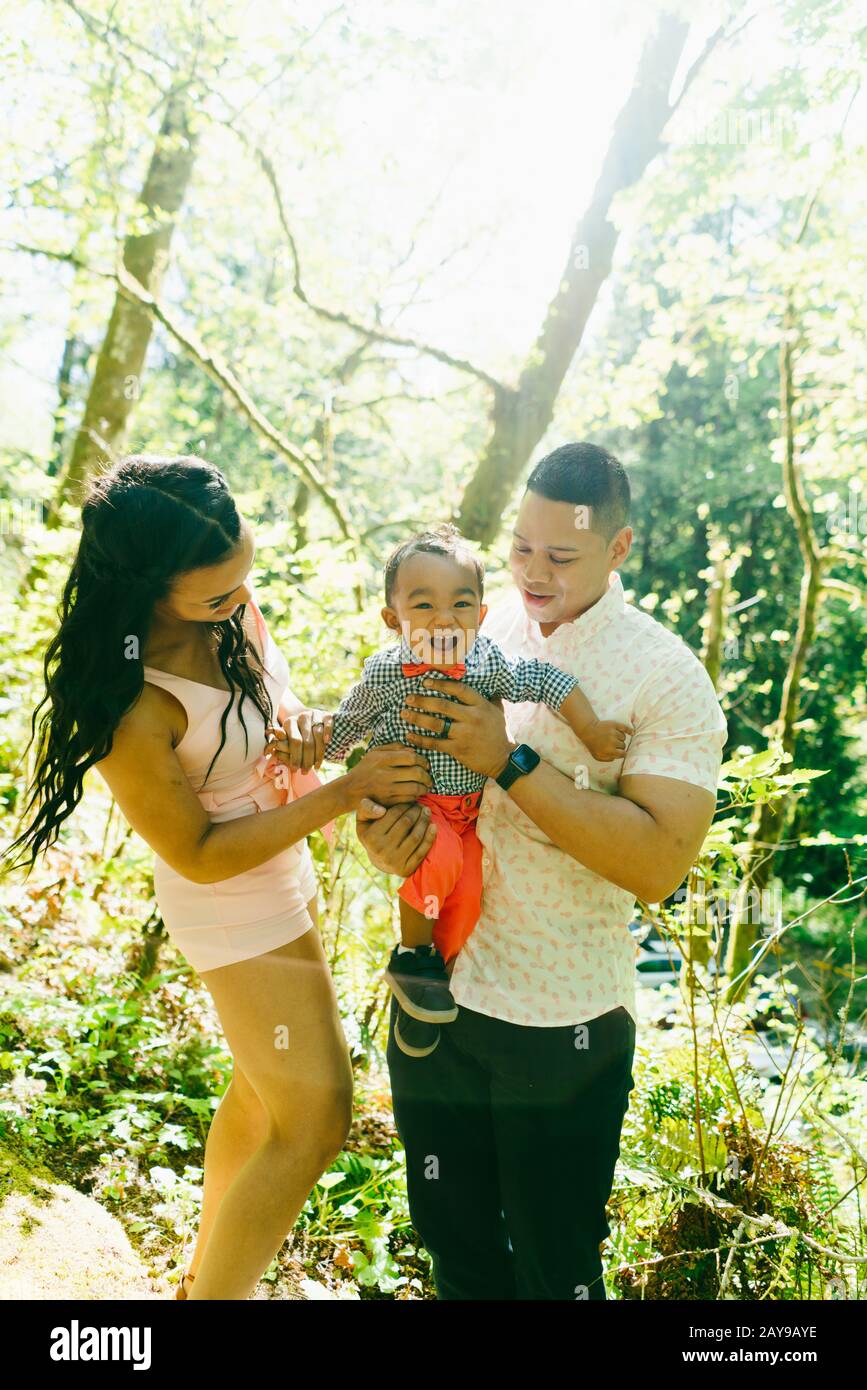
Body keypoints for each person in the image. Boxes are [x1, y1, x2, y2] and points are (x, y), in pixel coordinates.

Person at [5, 453, 435, 1301]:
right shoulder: (132, 703)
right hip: (230, 903)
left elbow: (273, 712)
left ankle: (204, 1273)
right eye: (215, 596)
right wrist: (345, 793)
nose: (238, 602)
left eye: (244, 581)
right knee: (316, 1122)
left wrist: (306, 732)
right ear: (147, 590)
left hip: (282, 868)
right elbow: (197, 853)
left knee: (261, 1086)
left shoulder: (230, 607)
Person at [357, 441, 728, 1300]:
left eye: (560, 556)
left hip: (563, 1027)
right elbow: (399, 760)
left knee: (553, 1267)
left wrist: (510, 761)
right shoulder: (473, 624)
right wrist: (381, 832)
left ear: (618, 549)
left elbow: (658, 864)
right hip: (438, 999)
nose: (532, 570)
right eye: (521, 547)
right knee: (455, 1251)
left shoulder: (664, 677)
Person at [321, 522, 631, 1058]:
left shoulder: (485, 662)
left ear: (481, 617)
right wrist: (304, 741)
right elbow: (346, 728)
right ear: (393, 620)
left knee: (464, 901)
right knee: (434, 858)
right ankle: (413, 956)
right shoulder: (386, 673)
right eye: (423, 606)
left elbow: (545, 680)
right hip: (418, 806)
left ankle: (425, 982)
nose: (444, 618)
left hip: (471, 814)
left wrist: (591, 727)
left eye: (461, 605)